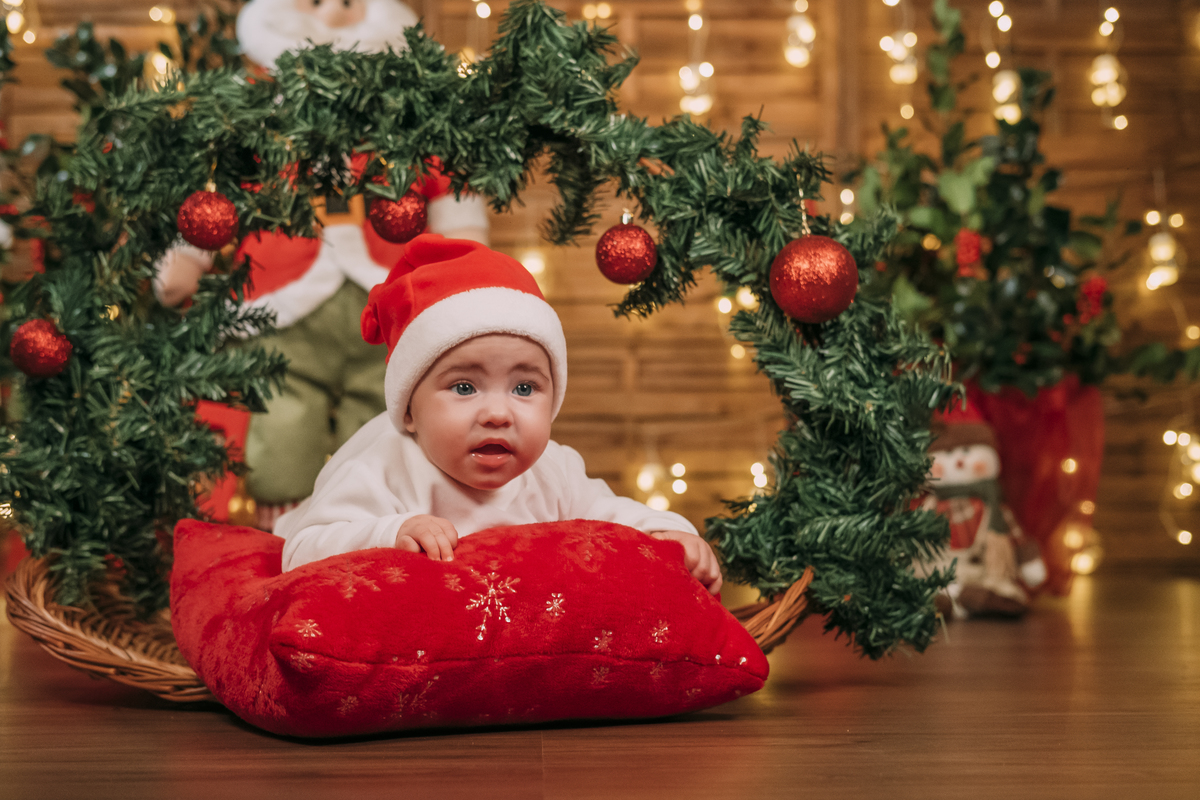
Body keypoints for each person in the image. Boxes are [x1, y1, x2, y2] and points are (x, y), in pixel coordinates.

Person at [156, 0, 489, 530]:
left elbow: (448, 181)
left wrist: (467, 252)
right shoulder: (255, 115)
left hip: (390, 303)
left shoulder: (408, 112)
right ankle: (285, 533)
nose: (334, 9)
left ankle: (377, 531)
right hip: (278, 303)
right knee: (281, 417)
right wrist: (189, 254)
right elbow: (218, 193)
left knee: (388, 418)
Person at [275, 235, 723, 594]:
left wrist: (669, 534)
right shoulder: (384, 465)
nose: (496, 413)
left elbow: (608, 515)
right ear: (410, 410)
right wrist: (391, 532)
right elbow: (302, 551)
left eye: (524, 388)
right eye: (464, 387)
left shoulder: (553, 470)